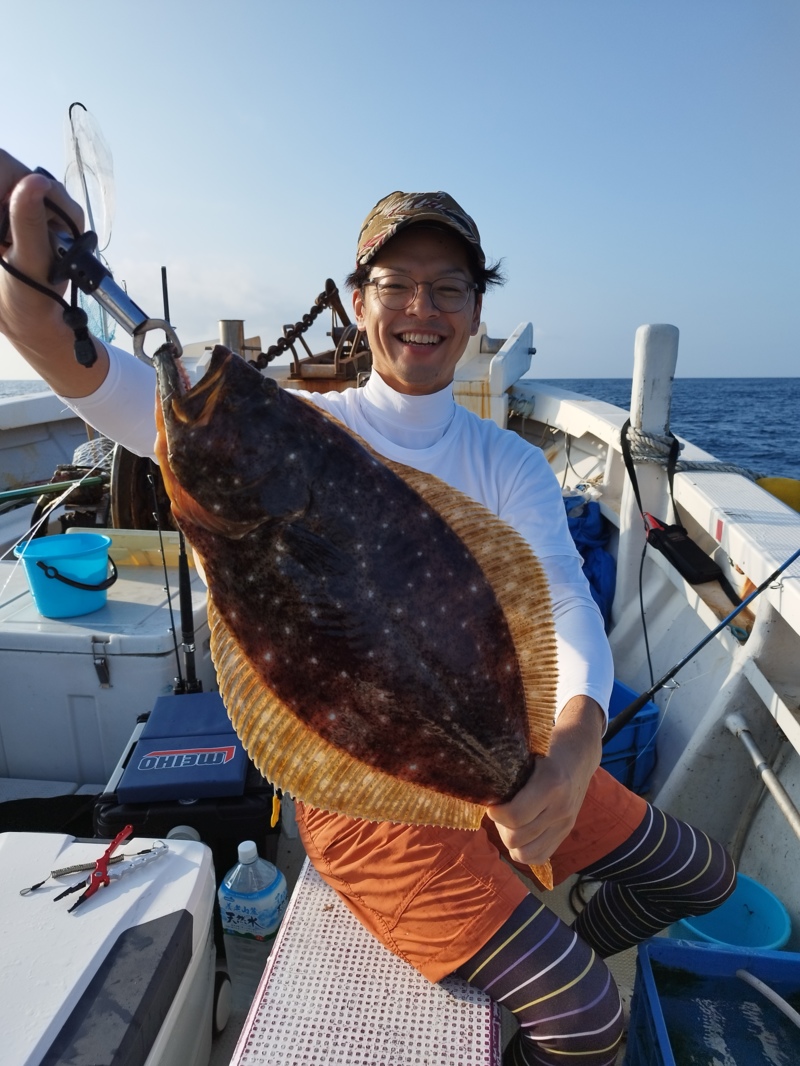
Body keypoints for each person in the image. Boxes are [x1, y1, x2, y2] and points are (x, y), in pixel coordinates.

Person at [0, 158, 736, 1066]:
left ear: (475, 310)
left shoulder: (510, 464)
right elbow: (86, 372)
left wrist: (575, 746)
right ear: (359, 302)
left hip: (498, 737)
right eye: (396, 284)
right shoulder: (306, 427)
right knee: (588, 1020)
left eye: (448, 287)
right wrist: (27, 285)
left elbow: (562, 600)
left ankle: (556, 939)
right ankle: (543, 970)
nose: (422, 307)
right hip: (363, 785)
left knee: (701, 877)